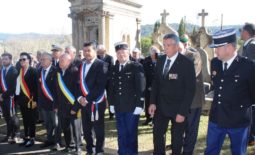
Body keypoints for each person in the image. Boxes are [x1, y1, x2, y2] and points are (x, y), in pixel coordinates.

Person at [204, 28, 255, 155]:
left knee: (238, 152)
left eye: (217, 48)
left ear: (228, 47)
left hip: (238, 120)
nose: (215, 51)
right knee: (210, 151)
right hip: (217, 118)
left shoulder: (248, 66)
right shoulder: (215, 63)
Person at [148, 34, 196, 155]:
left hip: (178, 108)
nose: (165, 48)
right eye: (164, 45)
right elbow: (156, 83)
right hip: (161, 107)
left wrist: (183, 112)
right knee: (158, 136)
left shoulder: (187, 63)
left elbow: (190, 90)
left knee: (177, 139)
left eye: (168, 45)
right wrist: (153, 102)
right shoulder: (161, 60)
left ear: (176, 46)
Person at [108, 42, 145, 154]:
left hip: (132, 107)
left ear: (128, 53)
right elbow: (111, 88)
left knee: (131, 134)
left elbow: (141, 88)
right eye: (118, 53)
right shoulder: (114, 68)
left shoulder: (136, 67)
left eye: (123, 52)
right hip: (119, 107)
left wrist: (140, 105)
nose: (121, 55)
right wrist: (111, 104)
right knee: (121, 134)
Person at [73, 42, 108, 155]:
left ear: (95, 51)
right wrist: (79, 98)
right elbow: (78, 84)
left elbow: (100, 86)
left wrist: (86, 99)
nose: (86, 53)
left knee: (98, 129)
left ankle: (99, 151)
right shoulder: (81, 65)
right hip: (84, 103)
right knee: (87, 130)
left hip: (96, 102)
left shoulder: (101, 64)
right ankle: (89, 150)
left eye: (89, 50)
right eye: (84, 51)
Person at [179, 35, 205, 155]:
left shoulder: (194, 56)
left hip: (194, 100)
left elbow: (192, 75)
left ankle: (188, 152)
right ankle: (181, 147)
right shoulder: (174, 56)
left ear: (185, 45)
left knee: (191, 128)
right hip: (180, 100)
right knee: (181, 126)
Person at [55, 53, 81, 153]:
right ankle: (69, 145)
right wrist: (56, 105)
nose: (59, 62)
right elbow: (56, 91)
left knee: (76, 128)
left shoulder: (75, 72)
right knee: (65, 127)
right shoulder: (58, 72)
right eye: (59, 60)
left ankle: (78, 146)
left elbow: (78, 91)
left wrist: (75, 107)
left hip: (72, 105)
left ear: (69, 61)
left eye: (62, 60)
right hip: (61, 106)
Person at [15, 52, 38, 147]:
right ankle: (26, 137)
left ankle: (32, 138)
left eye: (24, 59)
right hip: (22, 101)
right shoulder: (20, 71)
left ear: (29, 60)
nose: (22, 61)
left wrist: (35, 100)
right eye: (20, 59)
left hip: (30, 100)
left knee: (31, 120)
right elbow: (18, 87)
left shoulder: (33, 71)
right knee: (25, 120)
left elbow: (36, 88)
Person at [37, 52, 59, 148]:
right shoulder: (39, 71)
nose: (41, 61)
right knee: (47, 123)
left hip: (53, 103)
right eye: (41, 59)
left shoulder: (56, 71)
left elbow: (58, 89)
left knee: (56, 123)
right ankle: (49, 139)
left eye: (44, 59)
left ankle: (57, 142)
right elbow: (38, 88)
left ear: (50, 61)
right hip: (44, 103)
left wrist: (57, 103)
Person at [0, 53, 19, 144]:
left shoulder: (14, 71)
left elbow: (13, 87)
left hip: (11, 98)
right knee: (7, 118)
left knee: (13, 118)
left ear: (10, 60)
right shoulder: (1, 71)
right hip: (3, 99)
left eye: (6, 59)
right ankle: (9, 135)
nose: (4, 61)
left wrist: (3, 95)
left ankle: (15, 135)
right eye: (2, 59)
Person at [142, 46, 159, 125]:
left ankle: (155, 119)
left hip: (158, 87)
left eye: (155, 53)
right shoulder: (146, 61)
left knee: (157, 103)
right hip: (148, 86)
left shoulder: (161, 60)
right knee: (148, 102)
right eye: (152, 53)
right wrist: (148, 86)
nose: (154, 54)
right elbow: (144, 74)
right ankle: (148, 118)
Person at [97, 44, 114, 120]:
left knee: (110, 97)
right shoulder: (96, 58)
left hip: (108, 81)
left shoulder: (110, 58)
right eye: (99, 52)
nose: (100, 53)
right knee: (100, 96)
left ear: (105, 51)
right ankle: (101, 112)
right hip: (99, 81)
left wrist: (106, 77)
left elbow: (111, 69)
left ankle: (111, 113)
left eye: (101, 51)